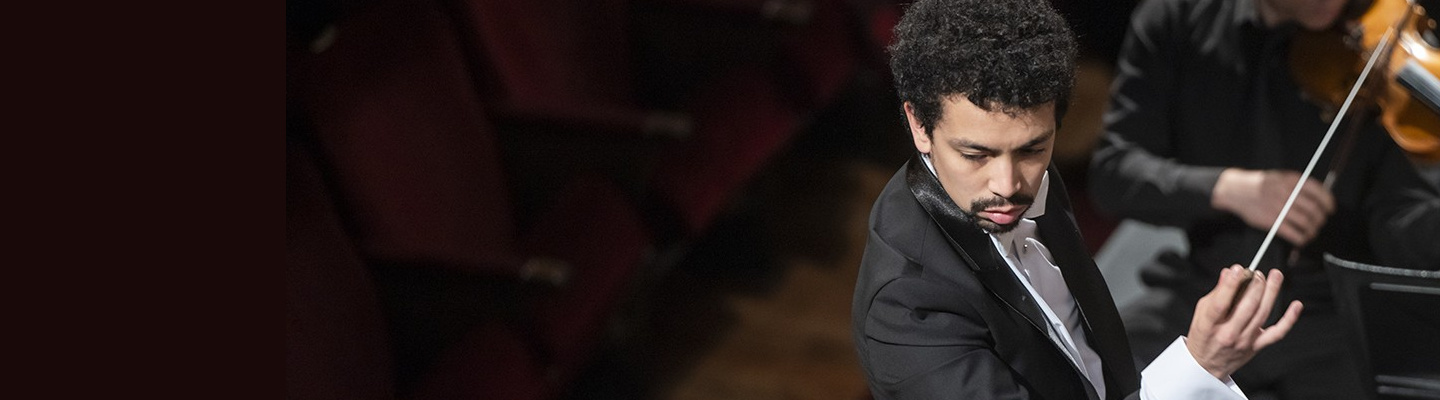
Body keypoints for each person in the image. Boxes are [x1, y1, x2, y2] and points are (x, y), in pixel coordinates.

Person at [850, 0, 1304, 399]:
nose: (1008, 184)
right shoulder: (907, 310)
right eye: (975, 155)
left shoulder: (1032, 178)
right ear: (919, 125)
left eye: (1032, 149)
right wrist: (1198, 368)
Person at [1089, 0, 1440, 398]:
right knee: (1097, 377)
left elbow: (1398, 220)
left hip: (1328, 317)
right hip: (1204, 292)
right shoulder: (1174, 18)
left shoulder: (1382, 40)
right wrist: (1228, 189)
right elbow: (1113, 175)